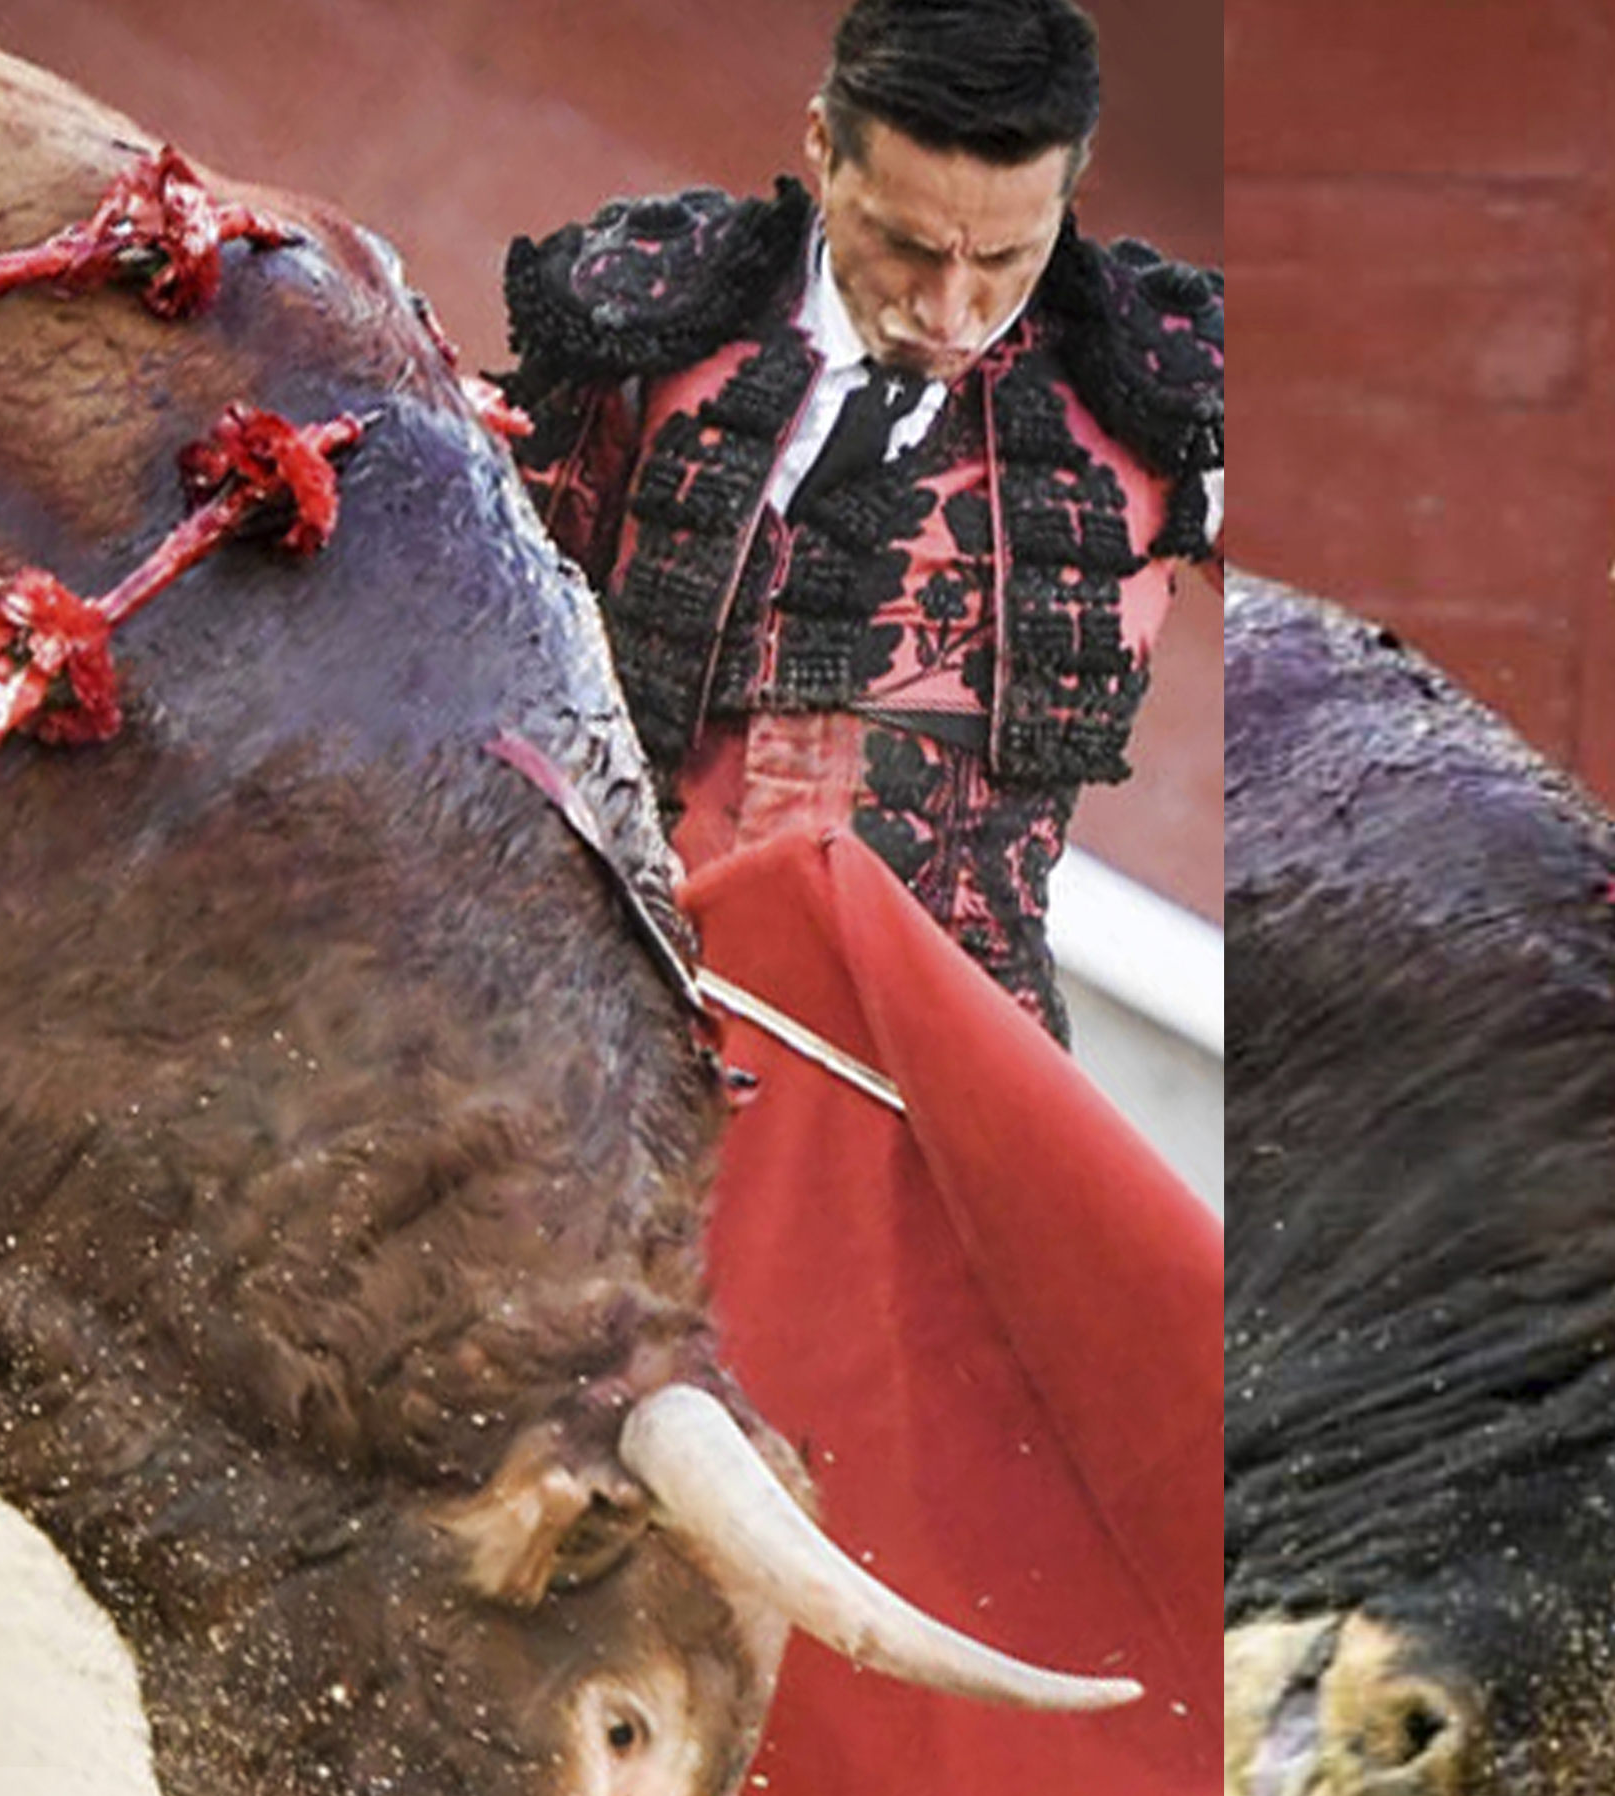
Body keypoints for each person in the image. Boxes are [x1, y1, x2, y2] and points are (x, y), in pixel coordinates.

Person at [501, 0, 1222, 1040]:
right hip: (597, 1006)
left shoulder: (1163, 394)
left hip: (920, 1068)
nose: (948, 311)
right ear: (820, 145)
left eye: (1003, 260)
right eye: (904, 246)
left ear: (1068, 195)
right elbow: (502, 625)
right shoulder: (653, 307)